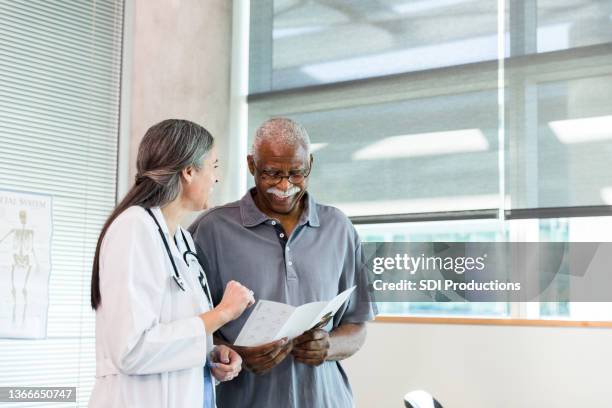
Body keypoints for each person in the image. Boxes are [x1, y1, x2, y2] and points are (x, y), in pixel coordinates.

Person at [189, 117, 376, 407]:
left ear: (310, 165)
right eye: (272, 173)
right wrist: (234, 352)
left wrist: (329, 346)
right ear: (251, 165)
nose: (284, 185)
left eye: (296, 173)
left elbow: (357, 326)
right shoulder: (211, 230)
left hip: (327, 400)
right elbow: (185, 328)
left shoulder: (339, 227)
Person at [89, 119, 255, 408]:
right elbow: (132, 350)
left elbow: (172, 337)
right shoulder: (133, 228)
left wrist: (210, 357)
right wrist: (224, 313)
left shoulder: (181, 240)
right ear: (189, 171)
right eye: (213, 166)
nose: (216, 178)